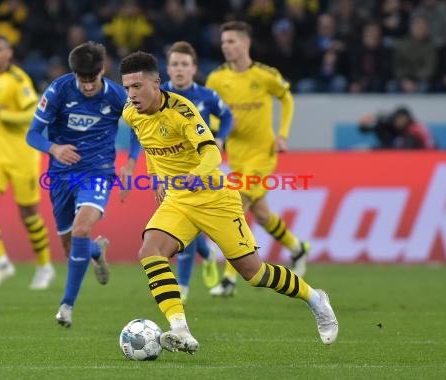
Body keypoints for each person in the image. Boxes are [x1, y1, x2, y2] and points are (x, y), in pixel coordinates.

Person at [120, 51, 338, 354]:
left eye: (137, 87)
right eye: (127, 88)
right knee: (150, 251)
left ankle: (315, 299)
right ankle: (181, 330)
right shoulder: (131, 113)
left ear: (156, 83)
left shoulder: (183, 111)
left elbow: (212, 154)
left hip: (215, 199)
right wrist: (155, 177)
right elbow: (151, 147)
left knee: (255, 274)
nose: (131, 95)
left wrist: (195, 175)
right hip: (179, 201)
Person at [26, 41, 140, 328]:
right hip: (61, 176)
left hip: (97, 172)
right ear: (74, 73)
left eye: (92, 79)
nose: (88, 86)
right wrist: (53, 148)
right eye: (82, 80)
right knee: (70, 246)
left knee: (81, 228)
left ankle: (66, 306)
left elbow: (140, 128)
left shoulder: (116, 96)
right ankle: (95, 251)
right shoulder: (59, 90)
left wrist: (129, 164)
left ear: (102, 70)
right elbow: (33, 134)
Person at [205, 21, 310, 297]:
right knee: (261, 215)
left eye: (231, 41)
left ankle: (229, 278)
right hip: (236, 156)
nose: (226, 46)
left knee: (237, 205)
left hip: (263, 154)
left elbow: (287, 99)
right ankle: (297, 248)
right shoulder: (216, 79)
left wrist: (283, 135)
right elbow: (211, 112)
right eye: (223, 42)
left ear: (245, 43)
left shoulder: (265, 75)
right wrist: (222, 128)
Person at [0, 34, 54, 291]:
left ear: (9, 53)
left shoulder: (19, 80)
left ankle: (44, 265)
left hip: (22, 155)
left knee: (28, 214)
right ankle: (1, 263)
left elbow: (32, 113)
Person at [160, 41, 234, 302]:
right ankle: (208, 254)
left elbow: (227, 117)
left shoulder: (207, 96)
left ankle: (182, 287)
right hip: (169, 169)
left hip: (201, 170)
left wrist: (221, 138)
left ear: (194, 69)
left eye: (184, 64)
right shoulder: (158, 98)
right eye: (175, 64)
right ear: (167, 69)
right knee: (188, 226)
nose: (179, 69)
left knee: (186, 222)